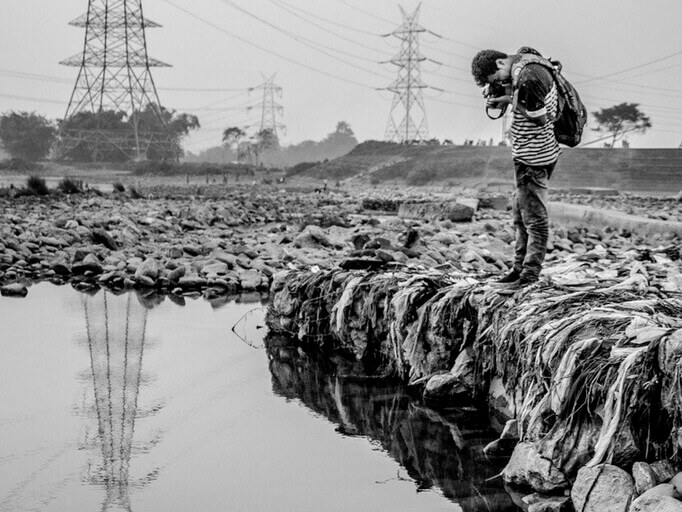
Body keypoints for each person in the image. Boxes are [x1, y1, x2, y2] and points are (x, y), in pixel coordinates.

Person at [471, 48, 560, 289]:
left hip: (534, 157)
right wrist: (506, 96)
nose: (501, 83)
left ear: (501, 62)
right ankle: (518, 269)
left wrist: (509, 100)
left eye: (497, 78)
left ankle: (529, 275)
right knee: (520, 215)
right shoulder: (524, 65)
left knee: (534, 219)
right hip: (528, 155)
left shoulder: (529, 77)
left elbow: (540, 117)